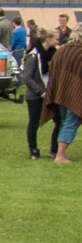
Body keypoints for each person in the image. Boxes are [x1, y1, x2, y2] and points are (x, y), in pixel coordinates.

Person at [42, 32, 82, 164]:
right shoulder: (79, 52)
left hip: (60, 92)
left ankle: (58, 152)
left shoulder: (62, 50)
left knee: (65, 122)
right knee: (71, 122)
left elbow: (52, 68)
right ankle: (60, 156)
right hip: (76, 93)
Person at [23, 28, 54, 159]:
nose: (57, 41)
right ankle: (33, 150)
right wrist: (41, 92)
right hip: (35, 96)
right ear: (48, 39)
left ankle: (55, 150)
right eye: (55, 39)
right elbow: (27, 78)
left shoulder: (49, 54)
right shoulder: (34, 56)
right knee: (34, 123)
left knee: (58, 120)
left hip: (48, 93)